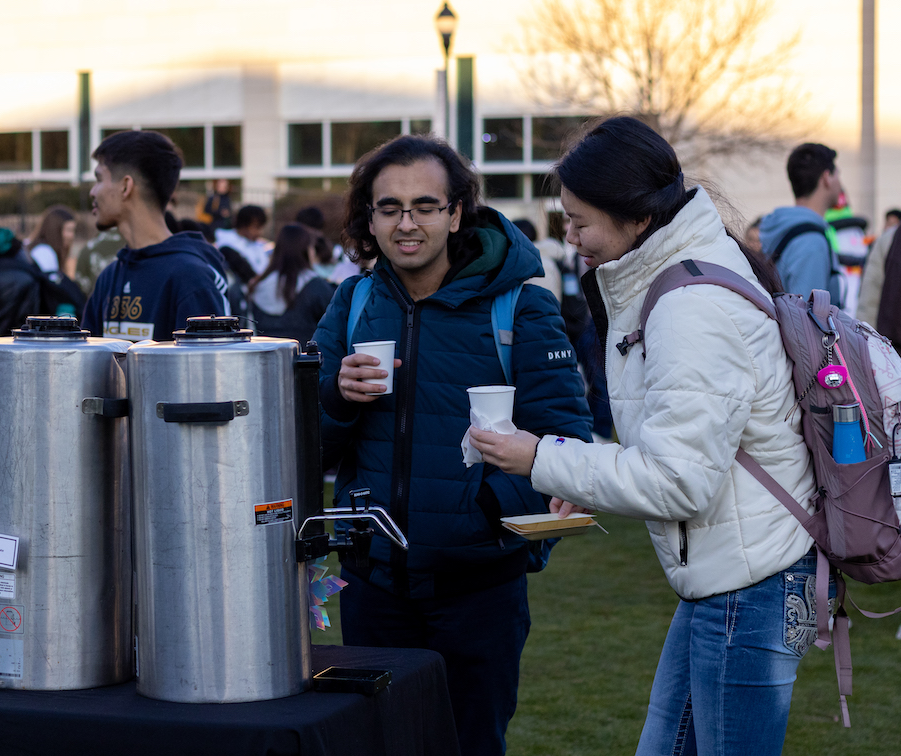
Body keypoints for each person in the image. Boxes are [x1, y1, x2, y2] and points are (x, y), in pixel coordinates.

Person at [468, 117, 828, 756]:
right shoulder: (676, 278)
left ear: (636, 216)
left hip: (750, 583)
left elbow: (678, 481)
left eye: (579, 221)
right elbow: (678, 447)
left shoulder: (690, 307)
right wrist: (582, 475)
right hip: (733, 575)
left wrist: (540, 458)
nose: (568, 237)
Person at [313, 135, 591, 756]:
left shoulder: (520, 305)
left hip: (478, 590)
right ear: (370, 218)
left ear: (456, 212)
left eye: (424, 206)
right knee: (378, 745)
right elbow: (308, 440)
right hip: (373, 582)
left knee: (469, 744)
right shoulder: (353, 302)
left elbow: (566, 436)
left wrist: (488, 514)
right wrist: (334, 394)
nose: (406, 223)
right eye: (389, 208)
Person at [80, 130, 230, 341]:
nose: (92, 192)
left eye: (98, 179)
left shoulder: (192, 278)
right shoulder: (110, 275)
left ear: (125, 186)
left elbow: (207, 370)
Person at [759, 143, 844, 304]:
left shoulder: (783, 228)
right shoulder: (811, 243)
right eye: (838, 174)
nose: (840, 183)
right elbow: (808, 322)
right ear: (827, 178)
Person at [248, 224, 334, 344]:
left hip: (266, 359)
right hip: (307, 360)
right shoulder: (315, 285)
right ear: (307, 250)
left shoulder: (258, 285)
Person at [27, 204, 86, 316]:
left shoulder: (37, 248)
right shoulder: (44, 252)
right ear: (55, 230)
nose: (71, 236)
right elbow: (53, 292)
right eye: (68, 230)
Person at [856, 208, 901, 326]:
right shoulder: (887, 240)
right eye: (888, 223)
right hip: (891, 337)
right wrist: (865, 334)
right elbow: (870, 294)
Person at [215, 204, 272, 282]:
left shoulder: (257, 245)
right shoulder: (226, 242)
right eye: (256, 227)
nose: (260, 232)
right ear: (243, 225)